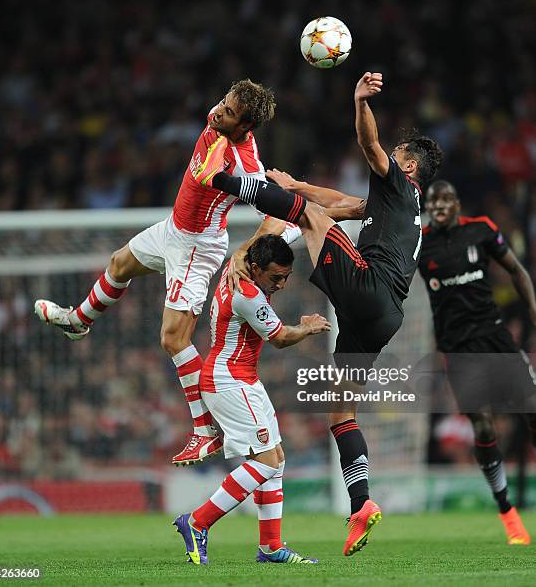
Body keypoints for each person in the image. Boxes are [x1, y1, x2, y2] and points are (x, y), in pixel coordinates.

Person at [193, 71, 443, 556]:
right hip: (384, 315)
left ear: (408, 164)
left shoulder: (397, 179)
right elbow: (340, 202)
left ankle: (219, 179)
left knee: (305, 217)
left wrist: (360, 101)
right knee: (341, 410)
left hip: (370, 288)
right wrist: (294, 183)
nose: (391, 156)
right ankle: (361, 506)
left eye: (399, 153)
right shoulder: (400, 207)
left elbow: (368, 145)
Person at [34, 79, 278, 465]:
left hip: (197, 247)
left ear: (245, 127)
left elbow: (273, 217)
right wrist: (222, 115)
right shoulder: (219, 118)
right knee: (119, 263)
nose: (217, 111)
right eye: (223, 102)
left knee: (173, 339)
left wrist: (245, 253)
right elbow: (217, 125)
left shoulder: (246, 166)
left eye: (229, 112)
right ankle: (79, 320)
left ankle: (205, 431)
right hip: (174, 228)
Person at [174, 233, 330, 565]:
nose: (282, 285)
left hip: (241, 379)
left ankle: (271, 547)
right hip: (229, 381)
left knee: (276, 458)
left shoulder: (236, 266)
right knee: (265, 462)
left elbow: (257, 238)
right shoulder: (246, 294)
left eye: (287, 277)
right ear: (256, 269)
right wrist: (308, 327)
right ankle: (197, 522)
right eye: (275, 278)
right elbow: (281, 339)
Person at [419, 180, 536, 545]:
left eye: (446, 199)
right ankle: (507, 511)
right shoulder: (420, 243)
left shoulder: (481, 230)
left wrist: (533, 312)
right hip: (457, 348)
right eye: (433, 199)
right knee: (483, 428)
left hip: (495, 337)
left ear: (456, 204)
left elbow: (516, 270)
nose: (439, 204)